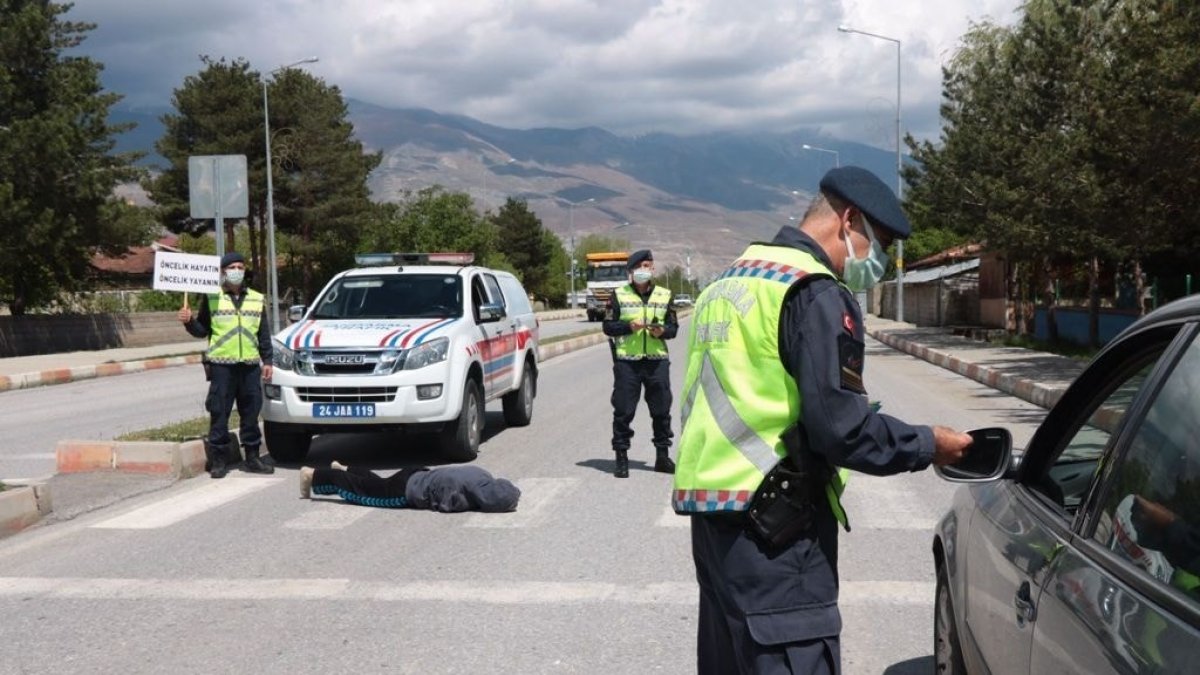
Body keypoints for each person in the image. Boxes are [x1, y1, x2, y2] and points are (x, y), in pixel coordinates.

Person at [672, 166, 973, 674]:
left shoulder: (727, 282)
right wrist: (930, 444)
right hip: (777, 537)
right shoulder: (813, 292)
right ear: (848, 220)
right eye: (880, 244)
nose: (880, 263)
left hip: (715, 529)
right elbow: (843, 430)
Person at [178, 251, 274, 478]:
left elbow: (263, 334)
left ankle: (252, 457)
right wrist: (189, 321)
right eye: (232, 267)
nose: (237, 271)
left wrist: (268, 360)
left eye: (240, 267)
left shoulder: (257, 299)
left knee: (251, 412)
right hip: (222, 366)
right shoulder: (212, 298)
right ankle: (219, 460)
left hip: (250, 366)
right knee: (219, 412)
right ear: (223, 272)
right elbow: (202, 330)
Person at [602, 249, 679, 478]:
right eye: (642, 266)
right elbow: (608, 326)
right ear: (632, 271)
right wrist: (628, 327)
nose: (646, 270)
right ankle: (622, 458)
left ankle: (662, 457)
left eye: (649, 265)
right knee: (624, 410)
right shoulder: (618, 295)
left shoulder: (665, 295)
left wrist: (662, 330)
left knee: (662, 409)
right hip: (628, 362)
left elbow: (673, 328)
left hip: (657, 362)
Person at [299, 461, 521, 513]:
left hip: (417, 472)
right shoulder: (462, 494)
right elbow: (444, 505)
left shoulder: (480, 474)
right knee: (361, 493)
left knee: (376, 484)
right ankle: (314, 475)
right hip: (404, 492)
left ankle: (346, 468)